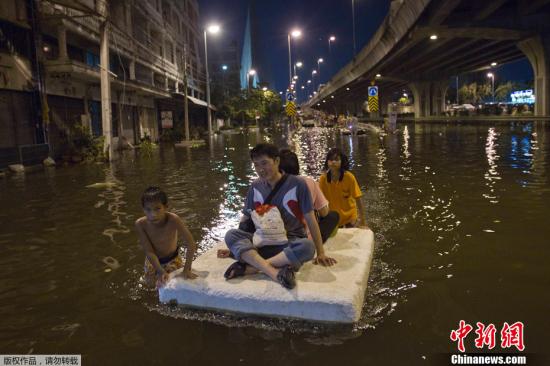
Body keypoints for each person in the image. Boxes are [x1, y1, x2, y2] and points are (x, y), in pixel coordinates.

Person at [223, 143, 337, 290]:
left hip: (288, 242)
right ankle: (274, 272)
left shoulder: (298, 184)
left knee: (307, 247)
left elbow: (310, 218)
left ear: (276, 161)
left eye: (264, 163)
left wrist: (321, 252)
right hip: (261, 240)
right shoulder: (255, 186)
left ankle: (251, 268)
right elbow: (246, 218)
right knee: (231, 235)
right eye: (256, 165)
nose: (261, 169)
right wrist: (235, 247)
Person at [135, 186, 197, 288]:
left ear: (166, 207)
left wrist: (187, 269)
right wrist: (160, 270)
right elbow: (149, 251)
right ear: (143, 209)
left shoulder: (173, 219)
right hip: (152, 261)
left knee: (172, 286)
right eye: (148, 209)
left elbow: (190, 244)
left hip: (172, 259)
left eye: (157, 209)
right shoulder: (140, 224)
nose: (153, 214)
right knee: (151, 287)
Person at [278, 148, 339, 242]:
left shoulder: (270, 185)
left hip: (279, 236)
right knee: (333, 216)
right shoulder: (309, 182)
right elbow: (324, 212)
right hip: (305, 238)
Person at [319, 148, 368, 228]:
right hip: (333, 219)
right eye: (330, 160)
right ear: (327, 162)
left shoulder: (349, 177)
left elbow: (358, 198)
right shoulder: (323, 179)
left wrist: (362, 220)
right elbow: (319, 201)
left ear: (342, 162)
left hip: (350, 218)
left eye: (336, 159)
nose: (333, 162)